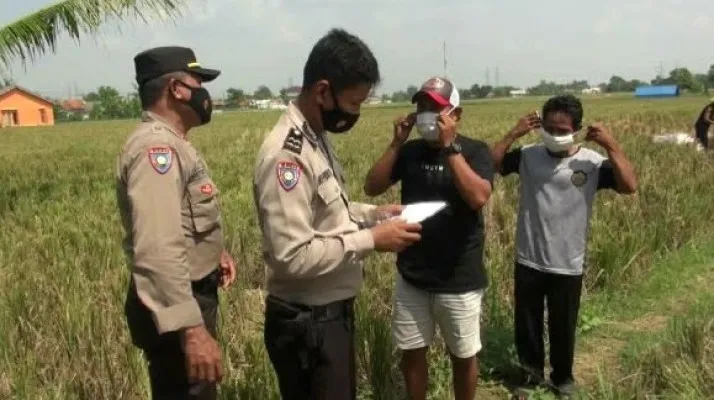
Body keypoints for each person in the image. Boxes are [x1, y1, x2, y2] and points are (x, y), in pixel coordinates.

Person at [252, 28, 423, 400]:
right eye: (354, 103)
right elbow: (291, 256)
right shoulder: (288, 155)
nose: (356, 113)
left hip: (326, 318)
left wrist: (373, 213)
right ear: (322, 91)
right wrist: (372, 240)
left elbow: (327, 207)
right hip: (307, 326)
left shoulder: (316, 137)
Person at [490, 94, 638, 398]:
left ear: (578, 128)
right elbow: (488, 166)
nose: (555, 135)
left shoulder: (592, 164)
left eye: (562, 130)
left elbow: (629, 186)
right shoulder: (528, 155)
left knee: (563, 324)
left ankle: (562, 379)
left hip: (569, 259)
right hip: (529, 255)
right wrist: (513, 133)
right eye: (549, 127)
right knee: (527, 323)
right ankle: (530, 377)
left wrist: (611, 145)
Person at [116, 46, 237, 400]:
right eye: (198, 82)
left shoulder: (172, 143)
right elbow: (156, 248)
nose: (204, 92)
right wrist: (192, 331)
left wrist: (211, 250)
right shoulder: (157, 151)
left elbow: (179, 221)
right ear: (177, 89)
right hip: (176, 311)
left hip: (185, 298)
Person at [363, 76, 494, 400]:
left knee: (463, 356)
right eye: (421, 106)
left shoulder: (476, 151)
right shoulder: (409, 152)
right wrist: (396, 143)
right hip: (412, 275)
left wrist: (450, 148)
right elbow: (372, 187)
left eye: (434, 108)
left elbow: (478, 197)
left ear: (455, 114)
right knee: (412, 352)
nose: (425, 114)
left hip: (459, 277)